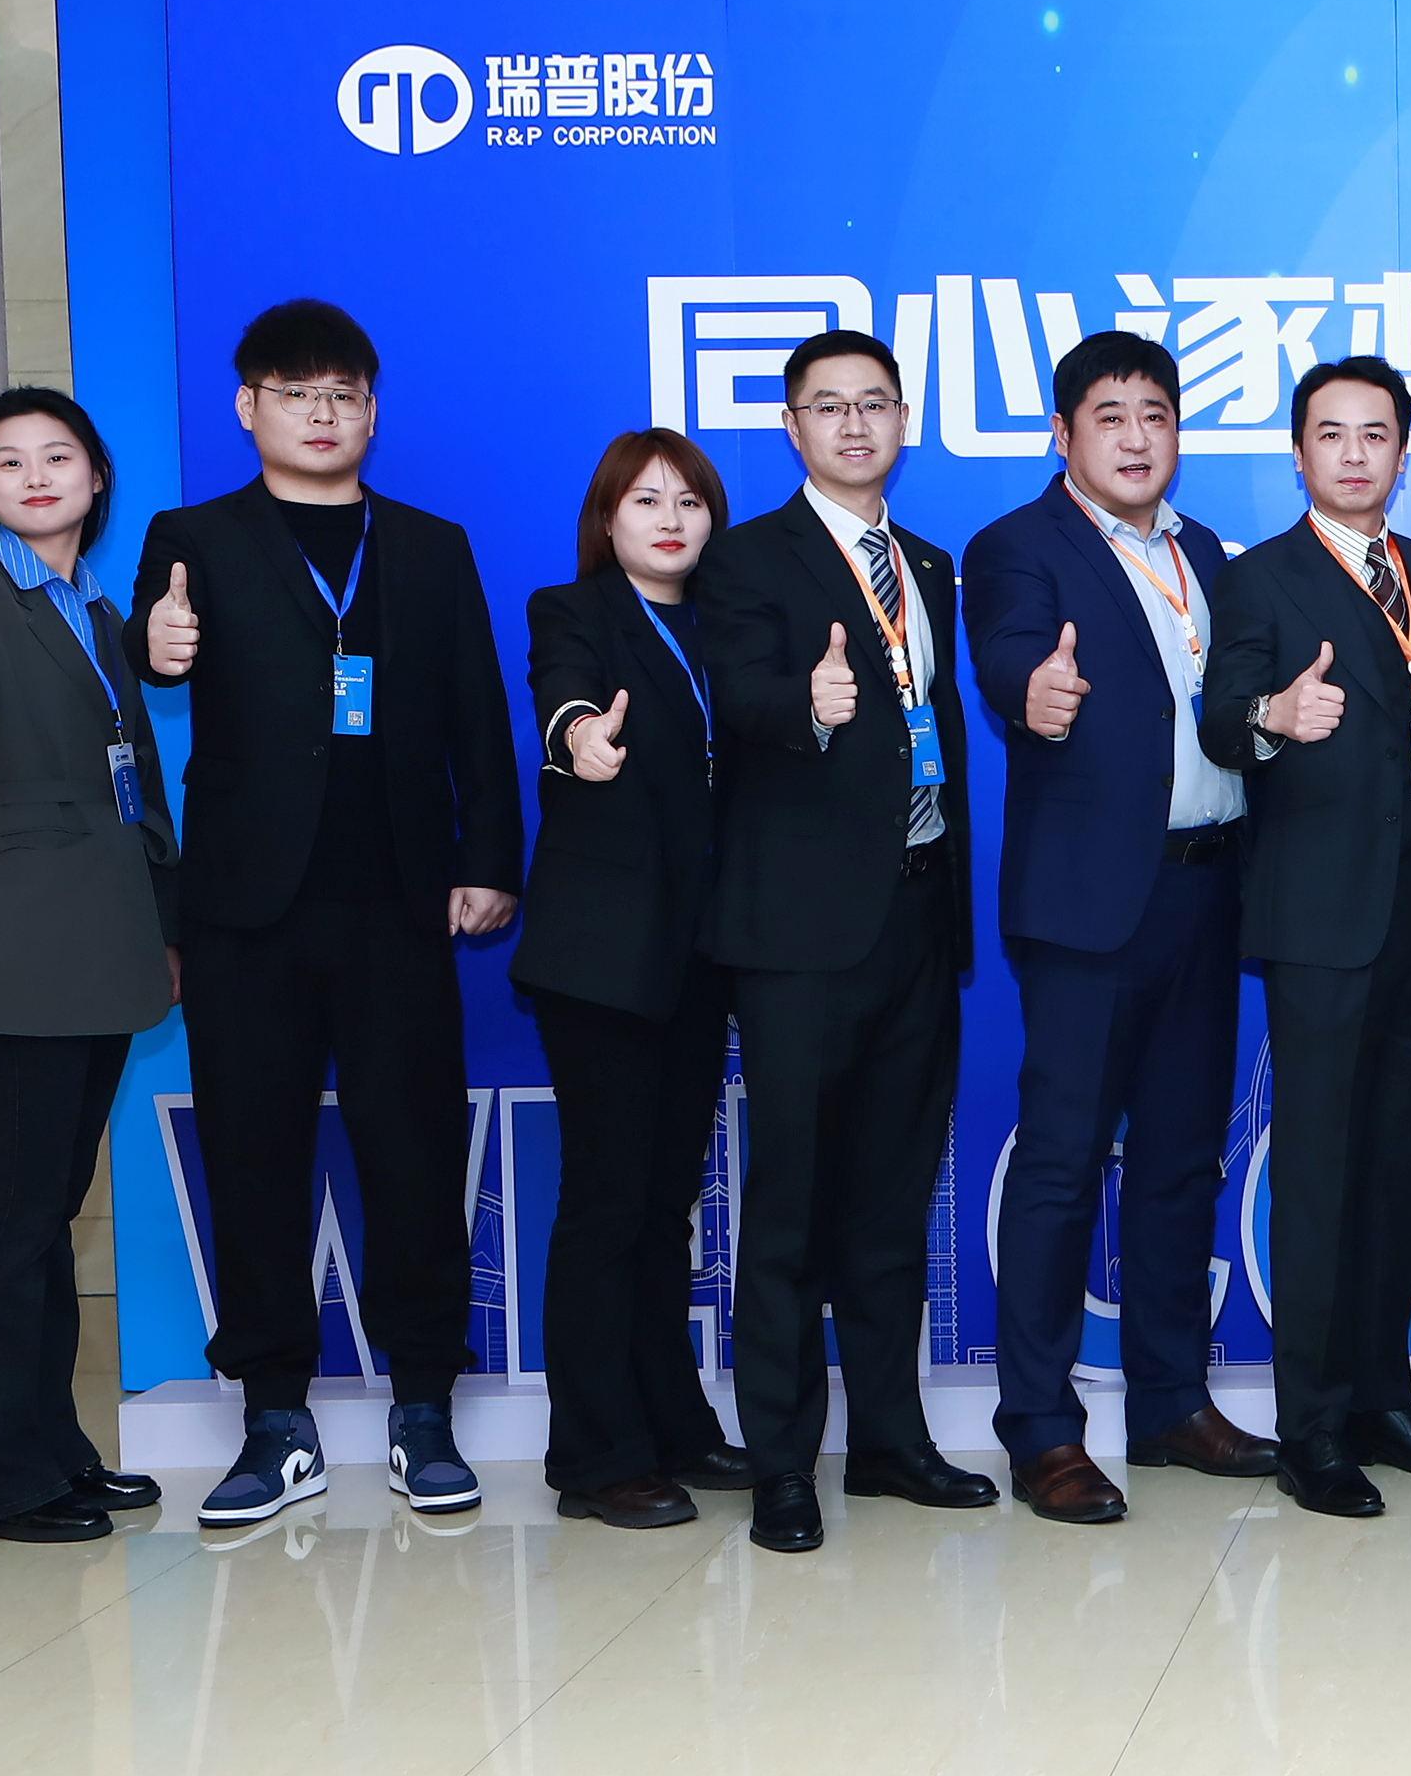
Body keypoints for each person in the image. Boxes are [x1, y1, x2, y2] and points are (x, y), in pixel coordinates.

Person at [135, 301, 519, 1529]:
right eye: (296, 392)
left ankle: (424, 1409)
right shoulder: (191, 537)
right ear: (246, 405)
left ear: (371, 410)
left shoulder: (430, 545)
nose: (322, 413)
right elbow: (153, 654)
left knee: (414, 1151)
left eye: (344, 393)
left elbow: (477, 712)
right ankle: (273, 1418)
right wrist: (161, 644)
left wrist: (490, 857)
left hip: (398, 895)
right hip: (246, 905)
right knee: (253, 1154)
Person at [687, 330, 999, 1554]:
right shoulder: (749, 554)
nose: (854, 425)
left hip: (916, 914)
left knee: (890, 1199)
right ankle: (781, 1460)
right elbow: (736, 692)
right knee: (791, 1206)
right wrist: (803, 705)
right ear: (791, 426)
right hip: (802, 934)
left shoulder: (924, 562)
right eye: (828, 406)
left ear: (903, 420)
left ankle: (889, 1440)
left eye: (874, 403)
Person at [964, 331, 1267, 1527]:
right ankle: (1041, 1427)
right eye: (1109, 415)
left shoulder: (1208, 554)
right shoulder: (1016, 545)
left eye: (1155, 414)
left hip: (1207, 889)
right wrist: (1030, 692)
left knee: (1183, 1160)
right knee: (1061, 1164)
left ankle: (1170, 1402)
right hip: (1089, 904)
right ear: (1063, 433)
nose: (1136, 437)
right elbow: (1009, 655)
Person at [1199, 354, 1411, 1519]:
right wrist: (1272, 714)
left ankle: (1382, 1398)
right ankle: (1311, 1427)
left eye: (1375, 433)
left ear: (1401, 452)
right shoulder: (1258, 574)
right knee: (1319, 1174)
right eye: (1331, 433)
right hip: (1324, 916)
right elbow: (1220, 718)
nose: (1354, 452)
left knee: (1401, 1164)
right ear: (1298, 453)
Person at [0, 389, 181, 1542]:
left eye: (57, 455)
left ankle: (52, 1448)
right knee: (15, 1209)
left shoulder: (98, 606)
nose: (35, 474)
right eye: (7, 460)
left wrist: (166, 922)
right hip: (21, 935)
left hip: (103, 930)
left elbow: (135, 774)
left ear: (95, 476)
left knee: (51, 1206)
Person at [511, 428, 755, 1531]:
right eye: (645, 500)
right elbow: (563, 699)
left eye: (689, 501)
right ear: (606, 519)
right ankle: (594, 1453)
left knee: (664, 1205)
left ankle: (672, 1424)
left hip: (701, 955)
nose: (670, 518)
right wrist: (578, 738)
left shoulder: (725, 625)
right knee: (608, 1202)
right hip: (603, 959)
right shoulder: (574, 611)